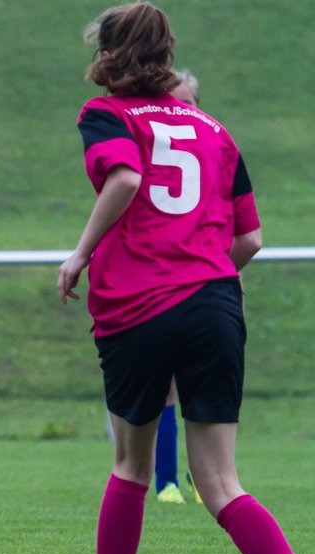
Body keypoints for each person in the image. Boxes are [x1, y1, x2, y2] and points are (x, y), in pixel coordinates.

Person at [58, 3, 313, 554]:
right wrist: (200, 279)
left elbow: (122, 176)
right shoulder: (214, 129)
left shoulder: (105, 116)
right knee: (221, 481)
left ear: (110, 55)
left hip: (136, 308)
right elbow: (249, 237)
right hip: (212, 304)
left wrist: (80, 253)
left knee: (130, 465)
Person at [151, 68, 203, 506]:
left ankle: (201, 479)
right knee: (164, 385)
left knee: (202, 386)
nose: (179, 111)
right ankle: (166, 481)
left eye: (186, 104)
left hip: (207, 288)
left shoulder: (210, 151)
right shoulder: (152, 161)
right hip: (158, 288)